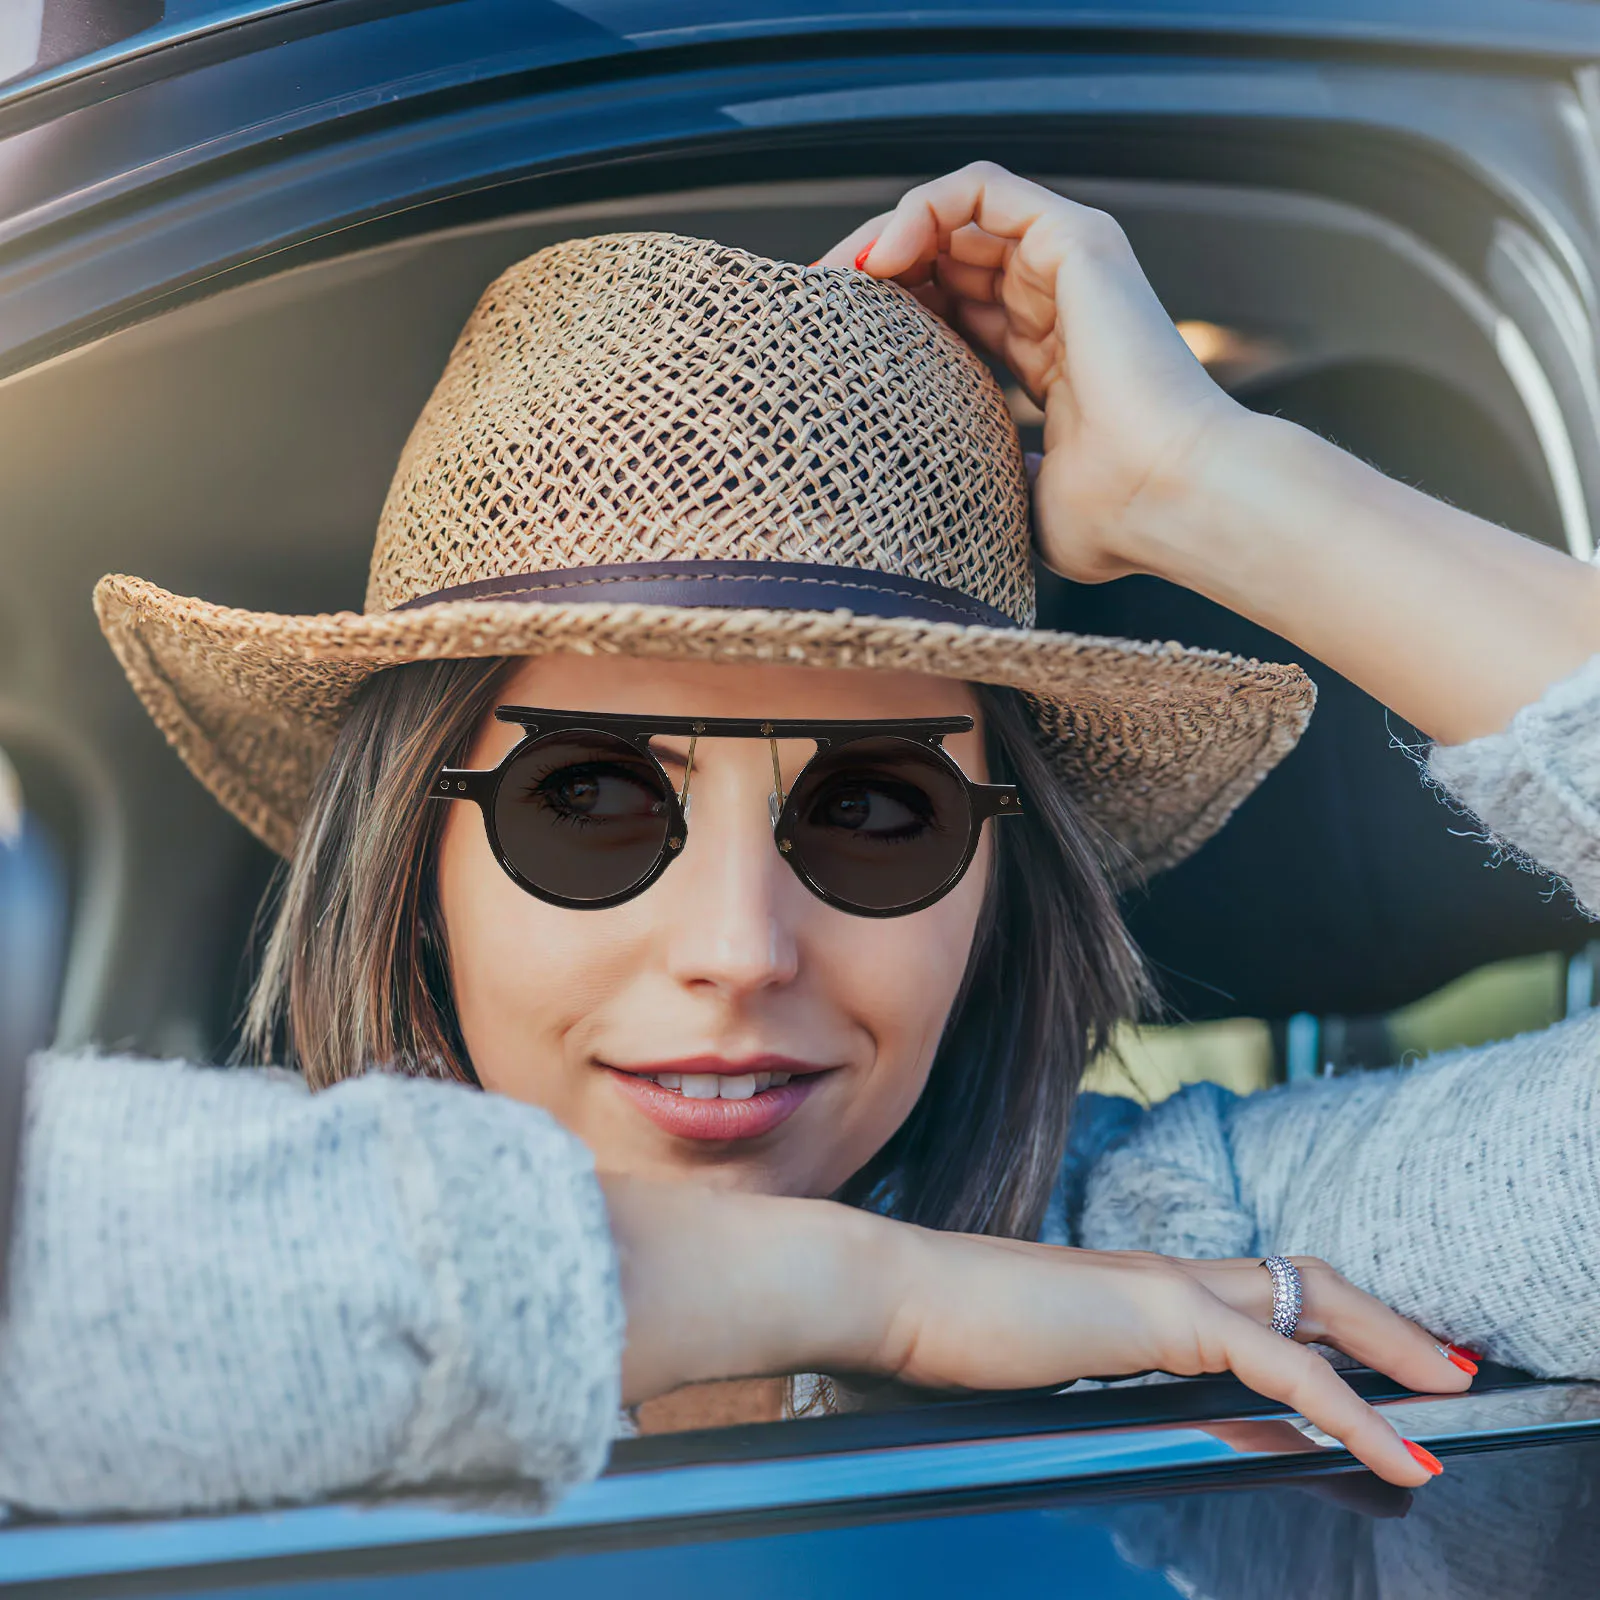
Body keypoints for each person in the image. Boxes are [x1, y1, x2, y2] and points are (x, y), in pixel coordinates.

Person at [3, 164, 1595, 1518]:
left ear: (1001, 884)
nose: (738, 949)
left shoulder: (1176, 1255)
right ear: (413, 867)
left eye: (878, 811)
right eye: (594, 797)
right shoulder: (218, 1249)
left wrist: (1214, 483)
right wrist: (858, 1289)